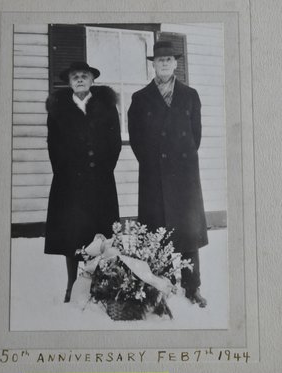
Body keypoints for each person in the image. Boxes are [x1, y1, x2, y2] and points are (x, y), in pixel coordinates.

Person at [128, 42, 208, 307]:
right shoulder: (140, 98)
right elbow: (136, 139)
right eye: (160, 60)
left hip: (184, 175)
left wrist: (179, 162)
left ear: (176, 64)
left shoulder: (190, 95)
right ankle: (160, 284)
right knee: (157, 232)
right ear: (153, 64)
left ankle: (192, 286)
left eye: (169, 60)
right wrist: (154, 164)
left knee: (188, 233)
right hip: (154, 176)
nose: (164, 64)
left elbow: (195, 136)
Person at [44, 61, 121, 302]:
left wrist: (104, 169)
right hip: (69, 183)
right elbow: (53, 145)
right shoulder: (58, 109)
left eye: (84, 76)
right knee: (72, 234)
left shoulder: (107, 107)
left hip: (101, 181)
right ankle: (72, 284)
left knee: (100, 233)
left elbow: (115, 143)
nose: (79, 79)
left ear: (92, 80)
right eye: (75, 76)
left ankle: (99, 283)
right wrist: (66, 173)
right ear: (68, 82)